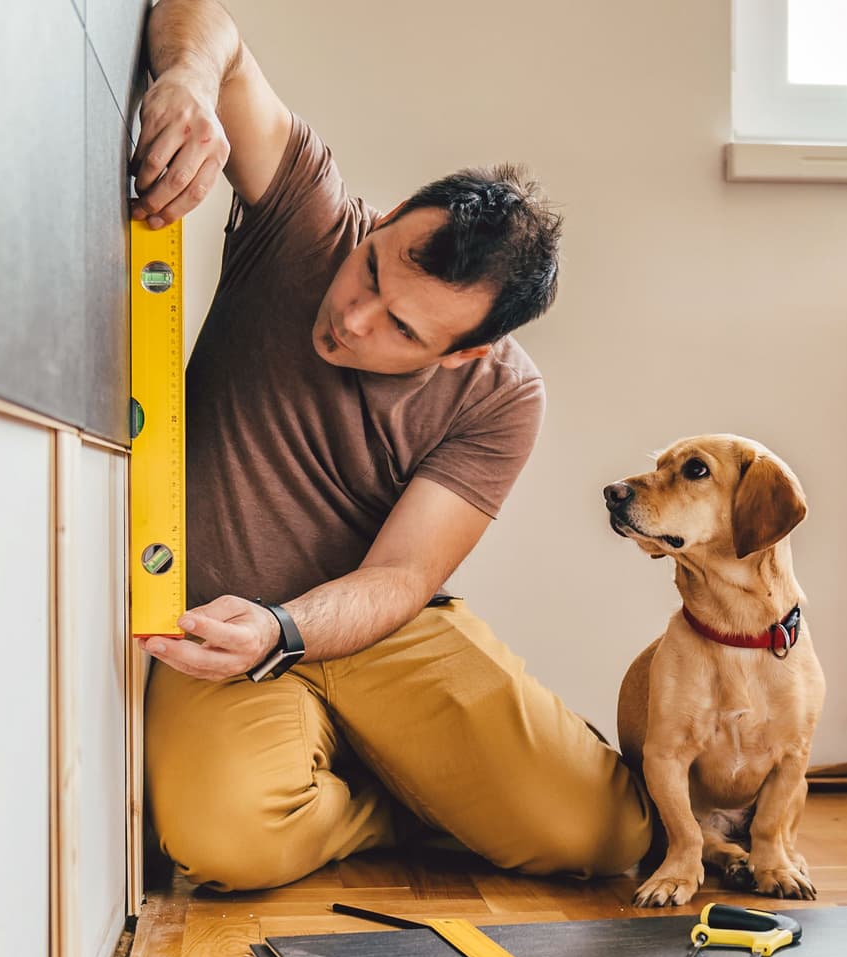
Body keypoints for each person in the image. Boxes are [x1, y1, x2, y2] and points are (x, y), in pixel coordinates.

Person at [130, 0, 651, 892]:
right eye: (375, 268)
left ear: (467, 350)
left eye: (401, 330)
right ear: (393, 216)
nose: (352, 318)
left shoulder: (503, 396)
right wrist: (186, 79)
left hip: (369, 625)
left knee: (603, 836)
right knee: (226, 845)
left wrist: (288, 628)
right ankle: (398, 801)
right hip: (215, 626)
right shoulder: (309, 218)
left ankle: (422, 779)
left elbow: (402, 577)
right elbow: (202, 16)